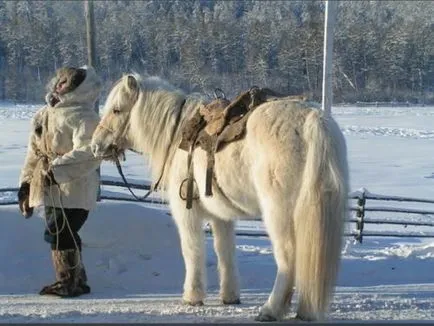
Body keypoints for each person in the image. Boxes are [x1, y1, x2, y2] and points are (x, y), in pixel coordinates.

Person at [17, 66, 102, 297]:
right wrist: (26, 184)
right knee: (62, 231)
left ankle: (68, 281)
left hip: (75, 188)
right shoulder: (45, 113)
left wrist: (55, 172)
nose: (59, 84)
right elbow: (34, 152)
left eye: (65, 82)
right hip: (49, 185)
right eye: (59, 80)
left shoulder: (85, 117)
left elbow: (89, 152)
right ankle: (76, 279)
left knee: (59, 231)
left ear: (77, 88)